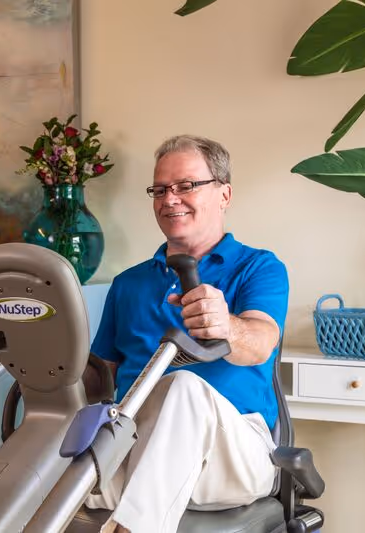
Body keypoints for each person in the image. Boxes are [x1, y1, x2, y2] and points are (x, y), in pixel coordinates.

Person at [85, 134, 289, 533]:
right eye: (160, 189)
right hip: (133, 446)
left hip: (230, 458)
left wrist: (226, 325)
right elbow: (98, 383)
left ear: (224, 194)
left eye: (186, 186)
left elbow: (261, 343)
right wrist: (47, 368)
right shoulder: (128, 284)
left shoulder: (259, 267)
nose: (169, 198)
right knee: (34, 471)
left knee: (183, 387)